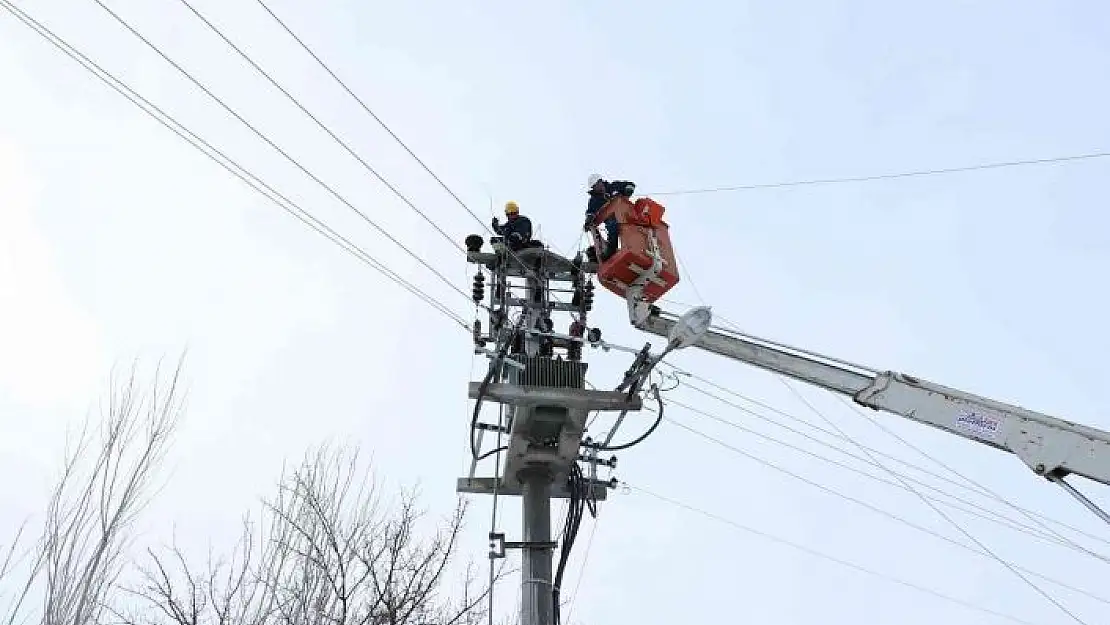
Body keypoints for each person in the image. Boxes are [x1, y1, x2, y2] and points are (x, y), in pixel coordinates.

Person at [584, 174, 635, 262]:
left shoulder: (614, 186)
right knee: (612, 227)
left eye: (597, 184)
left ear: (600, 181)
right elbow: (590, 212)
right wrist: (588, 221)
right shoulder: (594, 200)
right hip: (611, 219)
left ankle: (634, 248)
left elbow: (630, 185)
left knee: (632, 232)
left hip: (626, 214)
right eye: (594, 187)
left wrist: (628, 190)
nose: (596, 187)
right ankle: (611, 251)